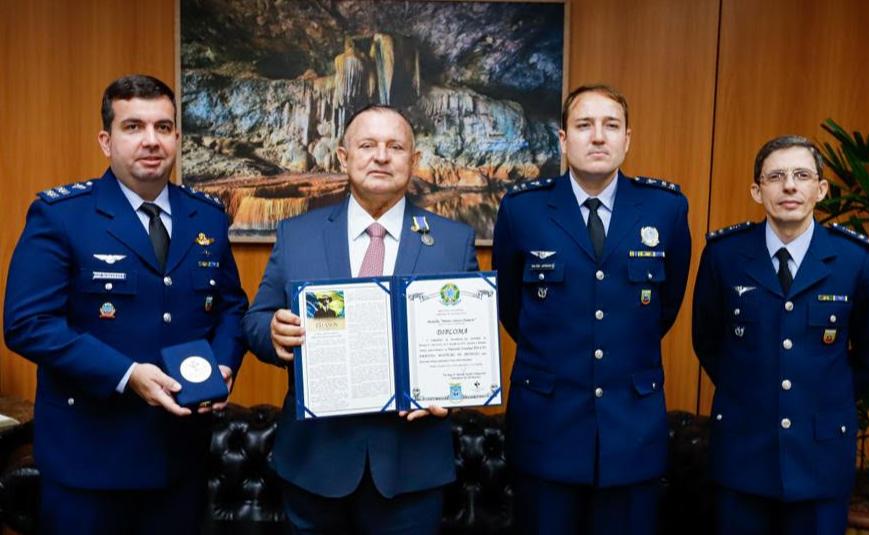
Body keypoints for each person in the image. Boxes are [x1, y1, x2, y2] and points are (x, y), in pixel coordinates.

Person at [3, 74, 248, 534]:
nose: (151, 140)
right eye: (133, 126)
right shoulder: (62, 215)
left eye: (163, 127)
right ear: (106, 141)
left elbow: (232, 306)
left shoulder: (208, 216)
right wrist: (126, 373)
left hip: (180, 460)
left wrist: (223, 363)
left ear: (177, 138)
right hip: (88, 462)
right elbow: (27, 323)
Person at [242, 104, 478, 534]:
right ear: (343, 157)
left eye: (395, 147)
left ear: (414, 160)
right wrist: (273, 333)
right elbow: (256, 321)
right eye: (368, 145)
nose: (381, 156)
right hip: (315, 463)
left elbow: (468, 344)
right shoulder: (298, 235)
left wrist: (455, 390)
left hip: (411, 470)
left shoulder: (453, 242)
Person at [492, 84, 692, 534]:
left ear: (627, 139)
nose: (598, 136)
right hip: (547, 428)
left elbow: (665, 307)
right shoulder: (523, 209)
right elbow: (511, 309)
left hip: (631, 431)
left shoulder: (665, 208)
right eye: (584, 125)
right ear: (563, 139)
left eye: (611, 125)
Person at [692, 135, 869, 534]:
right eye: (776, 176)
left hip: (820, 457)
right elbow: (708, 342)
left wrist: (822, 395)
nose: (789, 186)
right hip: (743, 453)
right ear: (757, 190)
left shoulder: (856, 259)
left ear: (821, 189)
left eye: (802, 175)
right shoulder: (724, 255)